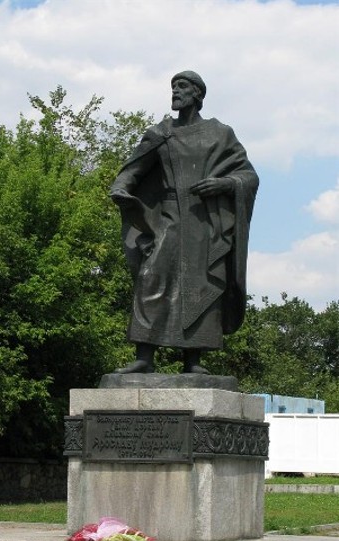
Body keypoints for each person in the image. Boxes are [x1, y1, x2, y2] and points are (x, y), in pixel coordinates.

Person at [110, 70, 259, 374]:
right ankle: (144, 356)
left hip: (204, 222)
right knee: (151, 277)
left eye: (183, 87)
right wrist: (120, 188)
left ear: (198, 94)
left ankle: (193, 359)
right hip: (168, 218)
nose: (175, 92)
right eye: (173, 87)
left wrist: (225, 184)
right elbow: (134, 170)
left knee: (201, 282)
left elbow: (248, 175)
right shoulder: (161, 133)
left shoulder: (220, 134)